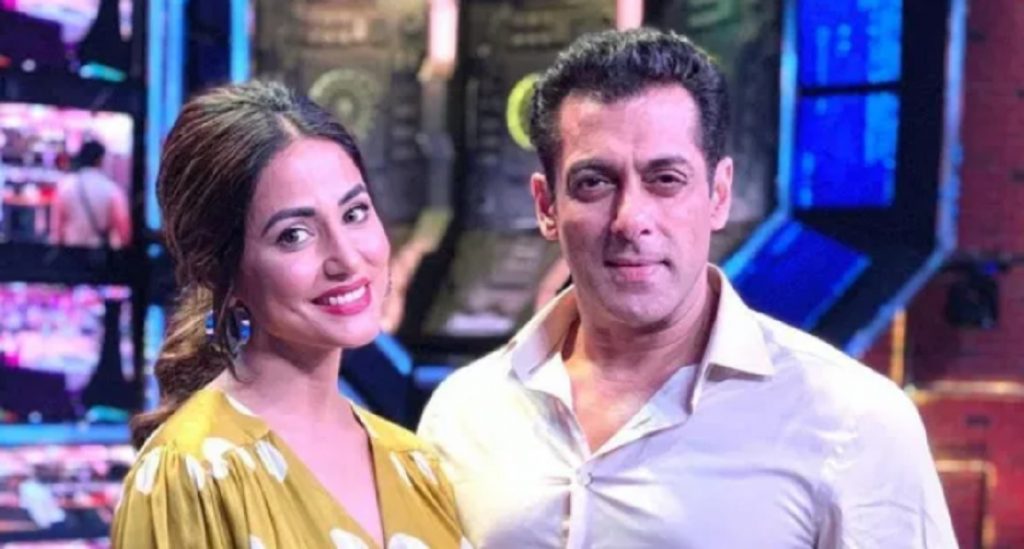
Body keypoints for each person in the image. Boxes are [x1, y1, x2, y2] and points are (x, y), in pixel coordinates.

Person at [418, 29, 956, 548]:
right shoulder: (463, 412)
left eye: (665, 180)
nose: (631, 219)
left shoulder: (854, 421)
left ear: (719, 194)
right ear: (546, 206)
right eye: (594, 182)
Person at [113, 81, 465, 548]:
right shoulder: (189, 473)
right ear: (219, 269)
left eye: (355, 213)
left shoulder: (416, 465)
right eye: (294, 235)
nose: (347, 259)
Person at [50, 140, 131, 249]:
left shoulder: (65, 186)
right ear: (100, 160)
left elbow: (57, 230)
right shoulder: (111, 189)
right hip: (100, 254)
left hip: (70, 252)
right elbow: (124, 232)